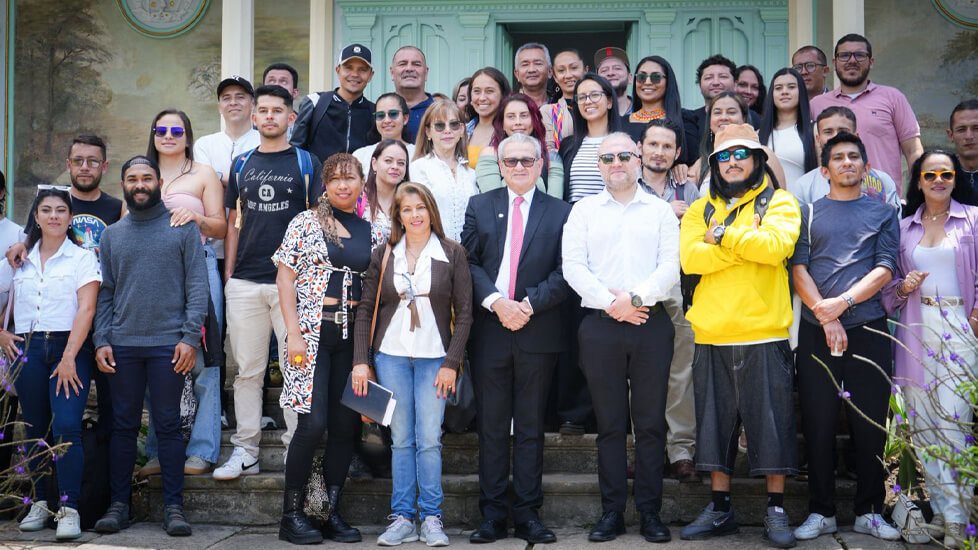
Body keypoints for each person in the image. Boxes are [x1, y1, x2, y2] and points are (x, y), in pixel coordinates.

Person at [678, 124, 800, 548]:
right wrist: (746, 247)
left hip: (764, 331)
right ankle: (720, 508)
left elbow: (776, 248)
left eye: (741, 154)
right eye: (724, 156)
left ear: (757, 160)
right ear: (714, 165)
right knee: (714, 427)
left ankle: (776, 511)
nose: (732, 162)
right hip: (711, 332)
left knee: (772, 425)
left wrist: (724, 236)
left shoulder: (780, 202)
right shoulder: (699, 209)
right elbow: (691, 258)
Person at [563, 132, 679, 543]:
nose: (617, 163)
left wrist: (634, 299)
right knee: (610, 424)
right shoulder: (583, 211)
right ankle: (611, 511)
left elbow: (670, 267)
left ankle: (650, 512)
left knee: (650, 424)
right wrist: (612, 304)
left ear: (638, 160)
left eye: (624, 156)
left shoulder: (660, 211)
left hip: (651, 323)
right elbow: (573, 267)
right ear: (599, 166)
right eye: (608, 158)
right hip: (600, 326)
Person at [791, 132, 900, 542]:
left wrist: (842, 304)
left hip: (869, 328)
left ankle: (870, 511)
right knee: (817, 423)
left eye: (854, 157)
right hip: (816, 331)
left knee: (870, 424)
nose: (847, 163)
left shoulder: (883, 213)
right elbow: (798, 269)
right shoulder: (808, 213)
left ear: (866, 168)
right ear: (825, 170)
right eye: (838, 158)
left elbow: (885, 268)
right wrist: (826, 315)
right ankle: (821, 511)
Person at [462, 133, 570, 545]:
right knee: (491, 426)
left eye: (528, 160)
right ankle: (491, 516)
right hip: (490, 329)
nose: (520, 167)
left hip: (538, 328)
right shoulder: (479, 205)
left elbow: (566, 270)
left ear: (541, 165)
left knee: (530, 427)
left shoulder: (561, 212)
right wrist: (496, 303)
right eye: (512, 161)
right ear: (501, 167)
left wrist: (526, 305)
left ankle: (527, 514)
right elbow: (468, 262)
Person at [93, 156, 208, 537]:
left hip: (168, 345)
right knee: (123, 426)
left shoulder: (182, 227)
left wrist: (190, 338)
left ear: (159, 182)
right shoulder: (112, 235)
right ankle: (118, 506)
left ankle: (174, 508)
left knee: (169, 425)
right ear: (123, 184)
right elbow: (106, 292)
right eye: (132, 179)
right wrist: (101, 339)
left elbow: (197, 287)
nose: (139, 184)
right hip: (123, 344)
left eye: (146, 178)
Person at [352, 182, 472, 547]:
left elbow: (465, 313)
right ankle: (403, 516)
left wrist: (452, 362)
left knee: (430, 439)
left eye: (420, 207)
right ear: (398, 216)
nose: (415, 215)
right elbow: (366, 310)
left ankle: (432, 517)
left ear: (431, 211)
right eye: (407, 209)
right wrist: (361, 361)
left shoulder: (452, 252)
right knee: (401, 439)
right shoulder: (384, 253)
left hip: (435, 358)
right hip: (390, 355)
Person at [215, 85, 323, 481]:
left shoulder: (306, 162)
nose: (270, 116)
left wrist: (311, 278)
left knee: (297, 369)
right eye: (263, 110)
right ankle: (246, 451)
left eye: (278, 110)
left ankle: (297, 449)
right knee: (247, 371)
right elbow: (233, 222)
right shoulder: (241, 163)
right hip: (245, 281)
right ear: (254, 117)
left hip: (292, 285)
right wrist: (229, 273)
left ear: (291, 118)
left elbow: (317, 221)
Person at [882, 150, 978, 549]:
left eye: (946, 174)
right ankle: (942, 513)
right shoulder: (903, 227)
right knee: (924, 428)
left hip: (961, 327)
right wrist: (903, 287)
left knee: (954, 423)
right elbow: (888, 290)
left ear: (955, 179)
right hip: (916, 327)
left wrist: (976, 318)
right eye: (930, 175)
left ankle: (958, 520)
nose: (938, 180)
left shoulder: (973, 219)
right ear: (918, 181)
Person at [273, 153, 371, 544]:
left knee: (345, 427)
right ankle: (291, 515)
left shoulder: (371, 229)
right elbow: (284, 279)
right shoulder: (306, 222)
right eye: (335, 179)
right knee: (312, 425)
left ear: (362, 183)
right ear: (325, 185)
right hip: (312, 336)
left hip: (352, 340)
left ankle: (327, 513)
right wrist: (293, 333)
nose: (343, 185)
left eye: (350, 178)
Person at [2, 186, 100, 540]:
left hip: (67, 347)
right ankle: (40, 503)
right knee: (34, 428)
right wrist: (1, 333)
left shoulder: (82, 258)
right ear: (36, 217)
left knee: (68, 426)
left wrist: (70, 355)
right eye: (46, 210)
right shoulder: (19, 258)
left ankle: (69, 509)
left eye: (61, 210)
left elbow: (87, 309)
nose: (54, 216)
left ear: (70, 217)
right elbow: (5, 297)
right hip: (26, 347)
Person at [138, 109, 226, 477]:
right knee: (158, 360)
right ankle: (159, 452)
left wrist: (197, 218)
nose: (169, 136)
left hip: (198, 267)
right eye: (161, 129)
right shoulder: (141, 173)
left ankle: (202, 450)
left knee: (204, 360)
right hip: (150, 273)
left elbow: (221, 227)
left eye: (177, 130)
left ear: (188, 136)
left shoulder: (203, 173)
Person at [637, 118, 700, 482]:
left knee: (681, 371)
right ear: (640, 148)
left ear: (677, 153)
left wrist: (687, 219)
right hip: (637, 289)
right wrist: (663, 214)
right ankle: (646, 449)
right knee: (639, 376)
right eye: (653, 145)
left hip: (681, 288)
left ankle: (681, 450)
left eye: (666, 147)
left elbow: (704, 236)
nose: (659, 152)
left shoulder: (688, 190)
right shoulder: (626, 184)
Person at [810, 33, 923, 184]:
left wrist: (919, 190)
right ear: (834, 63)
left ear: (871, 62)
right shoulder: (816, 105)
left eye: (859, 55)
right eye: (844, 56)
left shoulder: (893, 98)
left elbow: (913, 150)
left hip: (884, 195)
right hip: (831, 194)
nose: (852, 61)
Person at [789, 106, 901, 209]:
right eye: (828, 132)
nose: (836, 136)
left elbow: (893, 221)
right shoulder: (804, 186)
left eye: (843, 131)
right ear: (818, 139)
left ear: (856, 136)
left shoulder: (883, 180)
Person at [290, 44, 375, 163]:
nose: (355, 74)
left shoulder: (375, 112)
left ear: (370, 75)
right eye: (348, 68)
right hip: (317, 175)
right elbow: (296, 150)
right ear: (338, 70)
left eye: (362, 69)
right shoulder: (315, 102)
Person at [412, 99, 478, 243]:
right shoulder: (419, 168)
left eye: (454, 125)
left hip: (469, 251)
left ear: (462, 130)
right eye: (440, 126)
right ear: (428, 131)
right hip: (432, 249)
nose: (448, 130)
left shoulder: (471, 173)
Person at [476, 93, 563, 198]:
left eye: (524, 116)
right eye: (511, 117)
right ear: (502, 123)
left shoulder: (551, 157)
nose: (518, 122)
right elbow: (492, 200)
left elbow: (555, 203)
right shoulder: (491, 154)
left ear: (534, 120)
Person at [682, 55, 762, 167]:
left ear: (735, 83)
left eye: (723, 77)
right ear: (700, 85)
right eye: (708, 77)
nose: (716, 82)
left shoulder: (754, 118)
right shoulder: (689, 120)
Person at [560, 73, 622, 203]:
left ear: (609, 102)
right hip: (574, 213)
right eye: (582, 97)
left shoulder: (624, 144)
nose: (588, 102)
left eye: (594, 95)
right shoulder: (567, 145)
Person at [758, 68, 817, 190]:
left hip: (803, 201)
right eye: (778, 88)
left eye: (791, 87)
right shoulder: (758, 134)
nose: (784, 92)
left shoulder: (815, 129)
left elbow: (823, 177)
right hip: (768, 202)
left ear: (801, 91)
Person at [624, 55, 687, 158]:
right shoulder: (620, 122)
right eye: (641, 77)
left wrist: (684, 165)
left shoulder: (684, 119)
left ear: (668, 82)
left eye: (656, 77)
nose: (647, 82)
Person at [360, 139, 410, 247]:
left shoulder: (410, 203)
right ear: (374, 163)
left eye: (401, 163)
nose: (395, 167)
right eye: (388, 161)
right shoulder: (358, 199)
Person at [352, 92, 416, 172]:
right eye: (380, 115)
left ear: (405, 118)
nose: (387, 120)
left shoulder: (418, 154)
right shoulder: (361, 155)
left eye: (393, 114)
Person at [465, 67, 512, 168]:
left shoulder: (511, 132)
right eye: (477, 91)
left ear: (503, 95)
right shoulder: (462, 131)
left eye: (489, 91)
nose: (482, 98)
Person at [540, 48, 585, 151]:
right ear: (555, 77)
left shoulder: (596, 105)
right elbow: (549, 152)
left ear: (585, 70)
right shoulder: (549, 112)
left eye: (574, 68)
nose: (568, 75)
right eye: (561, 71)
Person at [390, 46, 434, 142]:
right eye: (402, 64)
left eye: (416, 64)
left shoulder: (439, 111)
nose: (409, 69)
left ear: (426, 73)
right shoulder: (379, 113)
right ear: (392, 72)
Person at [947, 99, 978, 201]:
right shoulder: (941, 176)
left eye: (976, 128)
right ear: (950, 135)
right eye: (961, 130)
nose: (969, 136)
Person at [513, 43, 553, 110]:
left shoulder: (561, 106)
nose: (531, 70)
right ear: (517, 74)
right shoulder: (509, 107)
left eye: (538, 63)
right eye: (525, 64)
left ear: (550, 71)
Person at [594, 47, 632, 115]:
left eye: (617, 68)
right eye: (604, 70)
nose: (610, 73)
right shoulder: (591, 115)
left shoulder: (645, 110)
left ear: (630, 78)